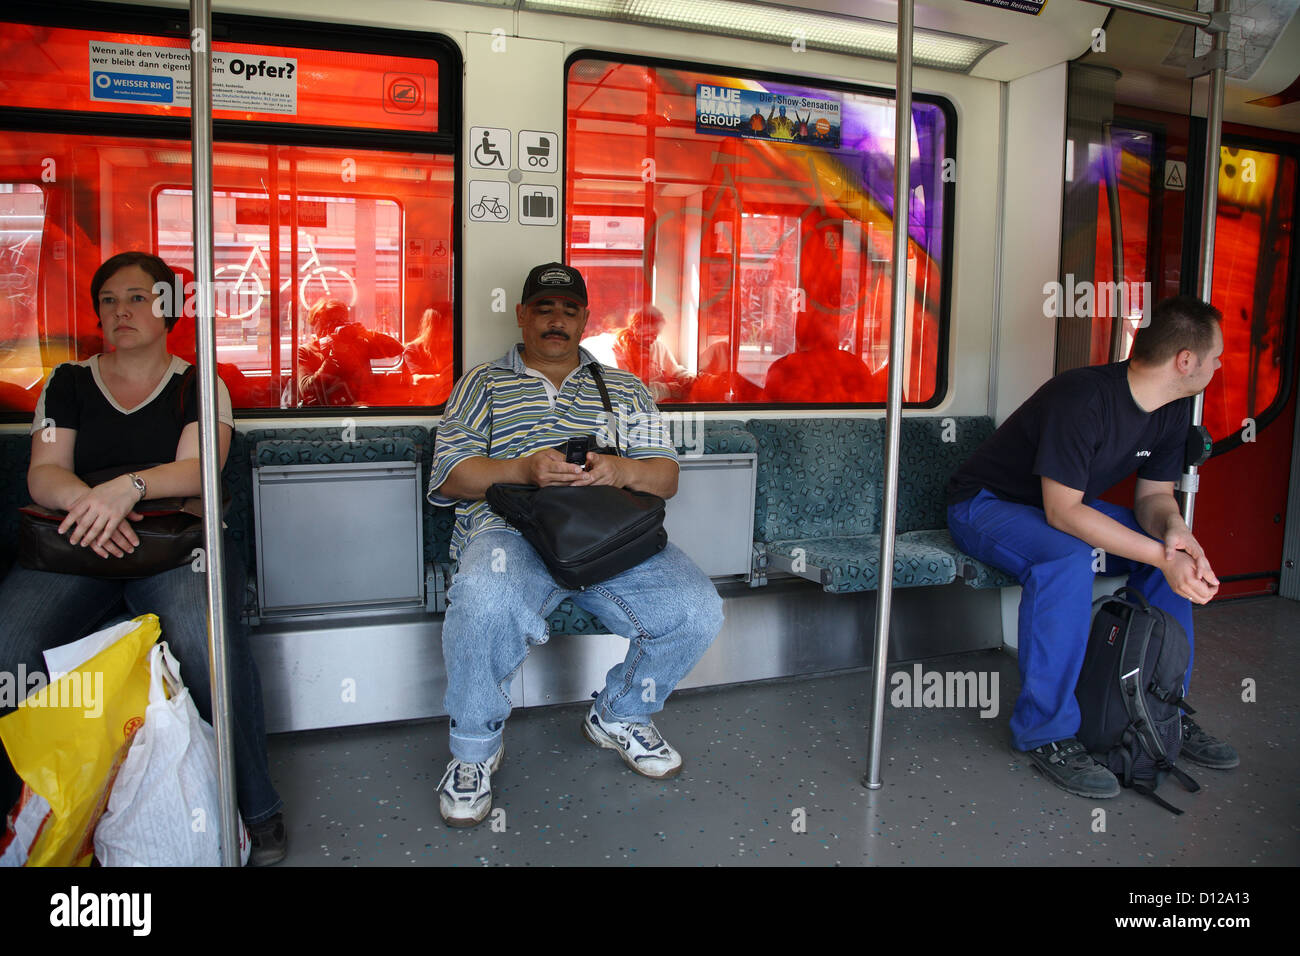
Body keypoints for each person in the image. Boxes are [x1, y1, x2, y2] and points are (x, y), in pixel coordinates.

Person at [0, 251, 287, 864]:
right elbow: (46, 473)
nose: (120, 311)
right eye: (108, 300)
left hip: (172, 542)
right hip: (78, 538)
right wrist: (89, 508)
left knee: (205, 643)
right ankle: (19, 811)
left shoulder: (199, 383)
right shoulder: (68, 383)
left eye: (137, 298)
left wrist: (123, 490)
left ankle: (254, 806)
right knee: (9, 644)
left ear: (169, 310)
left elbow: (196, 469)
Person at [427, 262, 724, 827]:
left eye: (568, 310)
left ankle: (619, 713)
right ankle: (473, 748)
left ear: (585, 319)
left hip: (603, 537)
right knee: (485, 598)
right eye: (543, 308)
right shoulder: (481, 383)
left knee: (696, 609)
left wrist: (616, 469)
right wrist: (524, 469)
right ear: (521, 316)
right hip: (509, 533)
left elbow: (666, 477)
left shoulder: (624, 387)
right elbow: (447, 476)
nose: (556, 321)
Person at [946, 295, 1238, 799]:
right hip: (987, 505)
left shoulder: (1173, 409)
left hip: (1056, 506)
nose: (1219, 364)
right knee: (1065, 559)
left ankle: (1161, 712)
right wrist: (1159, 555)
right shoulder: (1082, 397)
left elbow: (1154, 497)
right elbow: (1062, 514)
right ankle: (1047, 733)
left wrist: (1175, 535)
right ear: (1185, 360)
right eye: (1216, 355)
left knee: (1165, 551)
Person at [294, 298, 402, 406]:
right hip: (326, 412)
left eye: (340, 321)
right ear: (315, 322)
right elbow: (307, 389)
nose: (334, 326)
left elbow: (396, 348)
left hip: (362, 407)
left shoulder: (359, 344)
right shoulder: (306, 351)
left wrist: (366, 334)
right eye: (328, 321)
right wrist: (333, 357)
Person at [762, 311, 886, 403]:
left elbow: (767, 411)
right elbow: (870, 405)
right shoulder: (855, 365)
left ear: (799, 336)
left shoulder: (783, 367)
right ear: (835, 335)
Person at [582, 305, 695, 400]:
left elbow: (675, 370)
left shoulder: (657, 347)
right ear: (636, 327)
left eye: (656, 334)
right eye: (650, 333)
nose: (653, 339)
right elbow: (627, 393)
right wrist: (668, 389)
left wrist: (689, 378)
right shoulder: (615, 349)